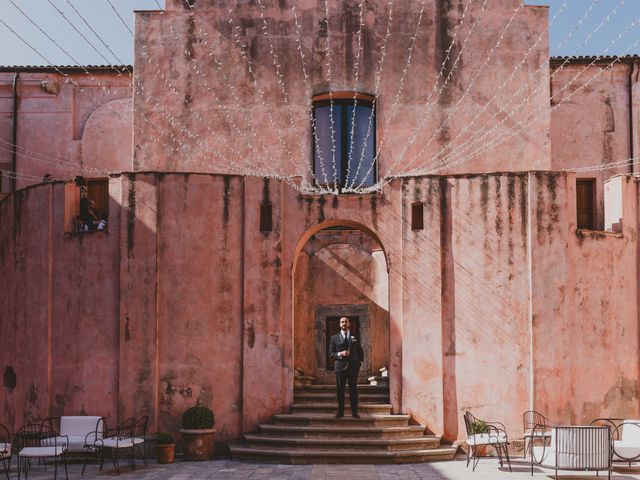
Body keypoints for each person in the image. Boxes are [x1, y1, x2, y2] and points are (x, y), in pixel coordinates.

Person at [329, 316, 364, 418]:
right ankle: (341, 412)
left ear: (349, 324)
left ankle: (354, 412)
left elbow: (360, 350)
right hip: (340, 367)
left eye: (346, 322)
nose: (344, 323)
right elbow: (330, 353)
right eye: (342, 322)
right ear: (340, 324)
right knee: (340, 390)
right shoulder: (334, 338)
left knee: (354, 389)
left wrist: (360, 362)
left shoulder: (355, 336)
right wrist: (340, 353)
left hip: (353, 367)